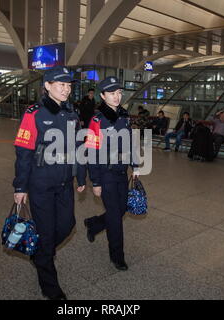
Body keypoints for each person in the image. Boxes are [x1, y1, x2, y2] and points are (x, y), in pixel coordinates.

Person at [12, 66, 86, 300]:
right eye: (61, 85)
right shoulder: (34, 113)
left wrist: (81, 176)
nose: (66, 90)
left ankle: (40, 254)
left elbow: (77, 148)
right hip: (41, 182)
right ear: (47, 86)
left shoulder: (71, 114)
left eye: (69, 86)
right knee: (45, 232)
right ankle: (50, 287)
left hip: (65, 181)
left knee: (67, 225)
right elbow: (23, 151)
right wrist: (20, 186)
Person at [83, 76, 139, 272]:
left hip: (121, 171)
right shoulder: (97, 120)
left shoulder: (124, 116)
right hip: (105, 174)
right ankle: (117, 256)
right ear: (103, 96)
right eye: (112, 93)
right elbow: (91, 151)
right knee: (115, 217)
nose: (117, 97)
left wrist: (135, 166)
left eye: (119, 93)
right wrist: (95, 181)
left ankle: (95, 223)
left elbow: (130, 143)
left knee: (122, 209)